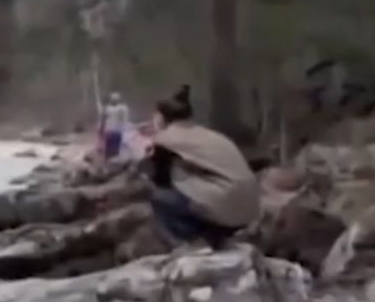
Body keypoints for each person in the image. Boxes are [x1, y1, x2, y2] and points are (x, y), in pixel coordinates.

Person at [145, 85, 259, 249]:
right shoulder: (208, 134)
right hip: (251, 208)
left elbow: (159, 179)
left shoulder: (167, 138)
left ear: (161, 117)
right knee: (191, 190)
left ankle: (194, 245)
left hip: (227, 205)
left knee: (159, 197)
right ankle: (217, 240)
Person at [101, 92, 131, 161]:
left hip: (114, 131)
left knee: (112, 148)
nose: (113, 101)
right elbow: (104, 118)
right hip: (112, 131)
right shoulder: (121, 108)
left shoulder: (120, 108)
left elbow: (124, 119)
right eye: (112, 99)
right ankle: (111, 159)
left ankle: (111, 160)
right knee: (111, 148)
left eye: (114, 99)